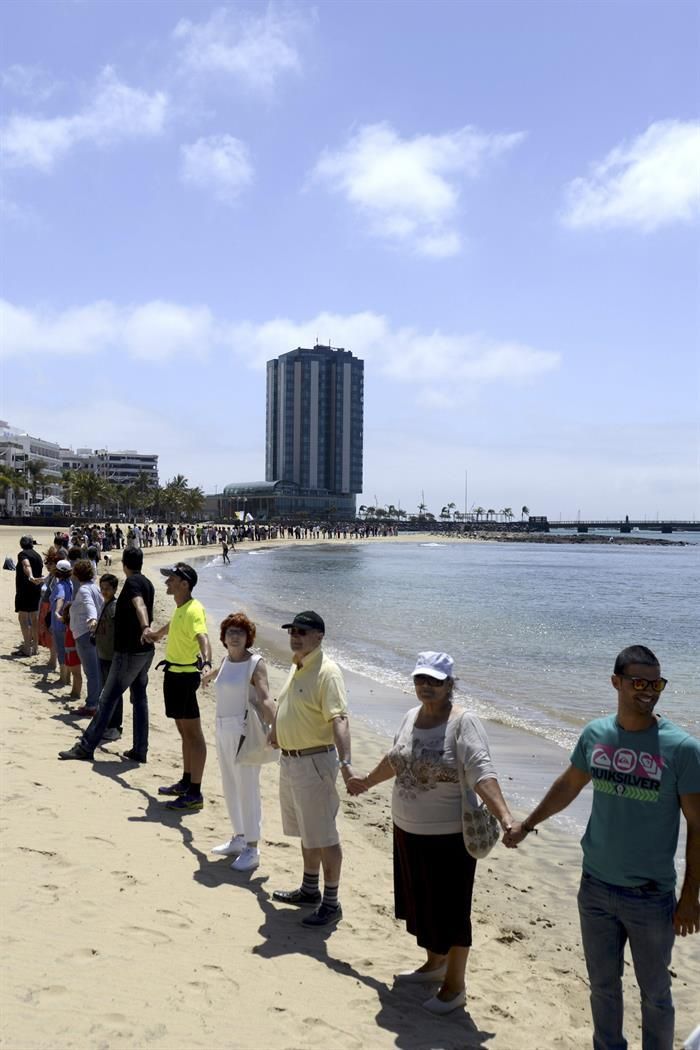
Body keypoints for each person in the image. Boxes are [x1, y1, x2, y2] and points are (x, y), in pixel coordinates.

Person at [504, 645, 700, 1050]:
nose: (648, 691)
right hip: (594, 888)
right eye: (638, 682)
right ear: (616, 682)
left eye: (656, 683)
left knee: (656, 995)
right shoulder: (596, 734)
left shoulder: (682, 749)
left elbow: (698, 825)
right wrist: (527, 824)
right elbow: (568, 785)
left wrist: (690, 899)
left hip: (650, 896)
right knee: (603, 988)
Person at [347, 651, 514, 1014]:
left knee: (452, 911)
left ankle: (455, 987)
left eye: (435, 681)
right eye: (421, 679)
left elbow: (482, 772)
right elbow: (396, 757)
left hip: (449, 837)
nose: (426, 686)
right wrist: (366, 782)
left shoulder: (463, 723)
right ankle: (434, 964)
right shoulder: (410, 716)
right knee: (421, 904)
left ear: (451, 684)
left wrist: (505, 817)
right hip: (407, 828)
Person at [270, 610, 356, 928]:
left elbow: (340, 718)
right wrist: (276, 730)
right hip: (292, 761)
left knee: (324, 835)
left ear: (319, 636)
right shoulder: (299, 664)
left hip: (314, 762)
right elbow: (290, 704)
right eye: (292, 630)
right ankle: (309, 890)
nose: (295, 635)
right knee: (308, 831)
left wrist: (346, 764)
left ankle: (331, 903)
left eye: (302, 631)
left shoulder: (326, 671)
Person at [58, 547, 155, 763]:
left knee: (107, 698)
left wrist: (145, 626)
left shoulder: (133, 583)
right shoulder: (147, 582)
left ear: (125, 565)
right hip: (144, 651)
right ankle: (140, 749)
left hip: (129, 652)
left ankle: (86, 747)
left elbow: (138, 603)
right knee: (139, 699)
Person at [203, 612, 276, 871]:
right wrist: (206, 676)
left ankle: (252, 849)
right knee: (230, 785)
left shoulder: (255, 663)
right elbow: (219, 672)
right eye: (230, 632)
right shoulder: (226, 660)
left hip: (245, 732)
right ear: (223, 637)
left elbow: (266, 698)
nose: (234, 636)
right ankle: (239, 836)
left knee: (247, 789)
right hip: (223, 729)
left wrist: (276, 728)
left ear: (248, 638)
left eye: (240, 632)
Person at [144, 564, 211, 812]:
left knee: (194, 734)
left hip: (185, 678)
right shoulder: (182, 608)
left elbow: (203, 637)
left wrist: (206, 662)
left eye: (172, 579)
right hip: (173, 675)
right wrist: (156, 635)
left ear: (185, 584)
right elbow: (173, 626)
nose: (167, 583)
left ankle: (195, 792)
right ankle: (186, 781)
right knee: (184, 732)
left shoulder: (194, 610)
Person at [70, 559, 104, 717]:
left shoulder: (84, 590)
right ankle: (95, 702)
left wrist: (92, 619)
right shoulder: (94, 587)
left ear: (76, 575)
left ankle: (91, 706)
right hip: (93, 634)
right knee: (95, 671)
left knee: (91, 672)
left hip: (85, 634)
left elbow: (90, 605)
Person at [93, 573, 124, 742]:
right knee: (106, 692)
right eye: (102, 588)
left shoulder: (114, 607)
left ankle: (115, 727)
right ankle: (108, 723)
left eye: (107, 589)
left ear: (114, 589)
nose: (104, 591)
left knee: (113, 693)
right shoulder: (106, 604)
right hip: (103, 654)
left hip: (112, 657)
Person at [15, 535, 43, 656]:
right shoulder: (38, 556)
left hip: (24, 591)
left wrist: (30, 576)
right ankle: (35, 648)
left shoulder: (22, 554)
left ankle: (27, 647)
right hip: (36, 590)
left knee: (23, 618)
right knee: (34, 618)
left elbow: (26, 565)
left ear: (21, 544)